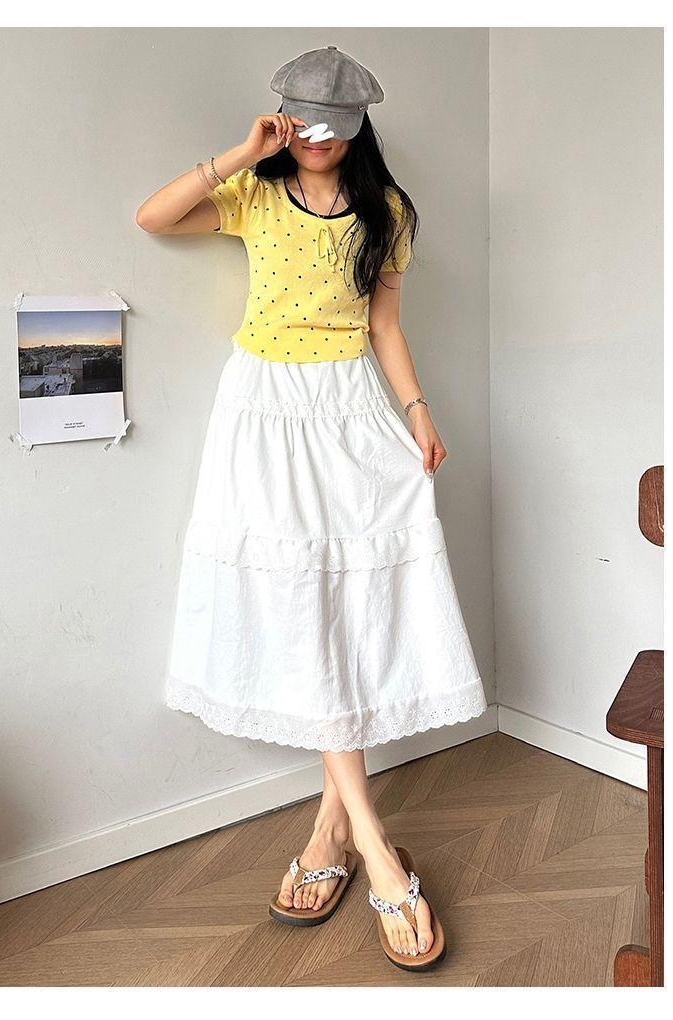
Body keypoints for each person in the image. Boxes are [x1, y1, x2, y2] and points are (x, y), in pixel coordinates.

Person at [136, 45, 487, 971]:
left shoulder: (387, 212)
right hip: (264, 412)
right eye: (304, 119)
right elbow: (152, 216)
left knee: (353, 604)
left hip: (352, 409)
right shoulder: (254, 194)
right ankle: (372, 845)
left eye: (336, 122)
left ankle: (332, 832)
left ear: (361, 126)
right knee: (301, 606)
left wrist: (418, 410)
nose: (319, 136)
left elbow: (384, 325)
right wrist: (241, 152)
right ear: (283, 118)